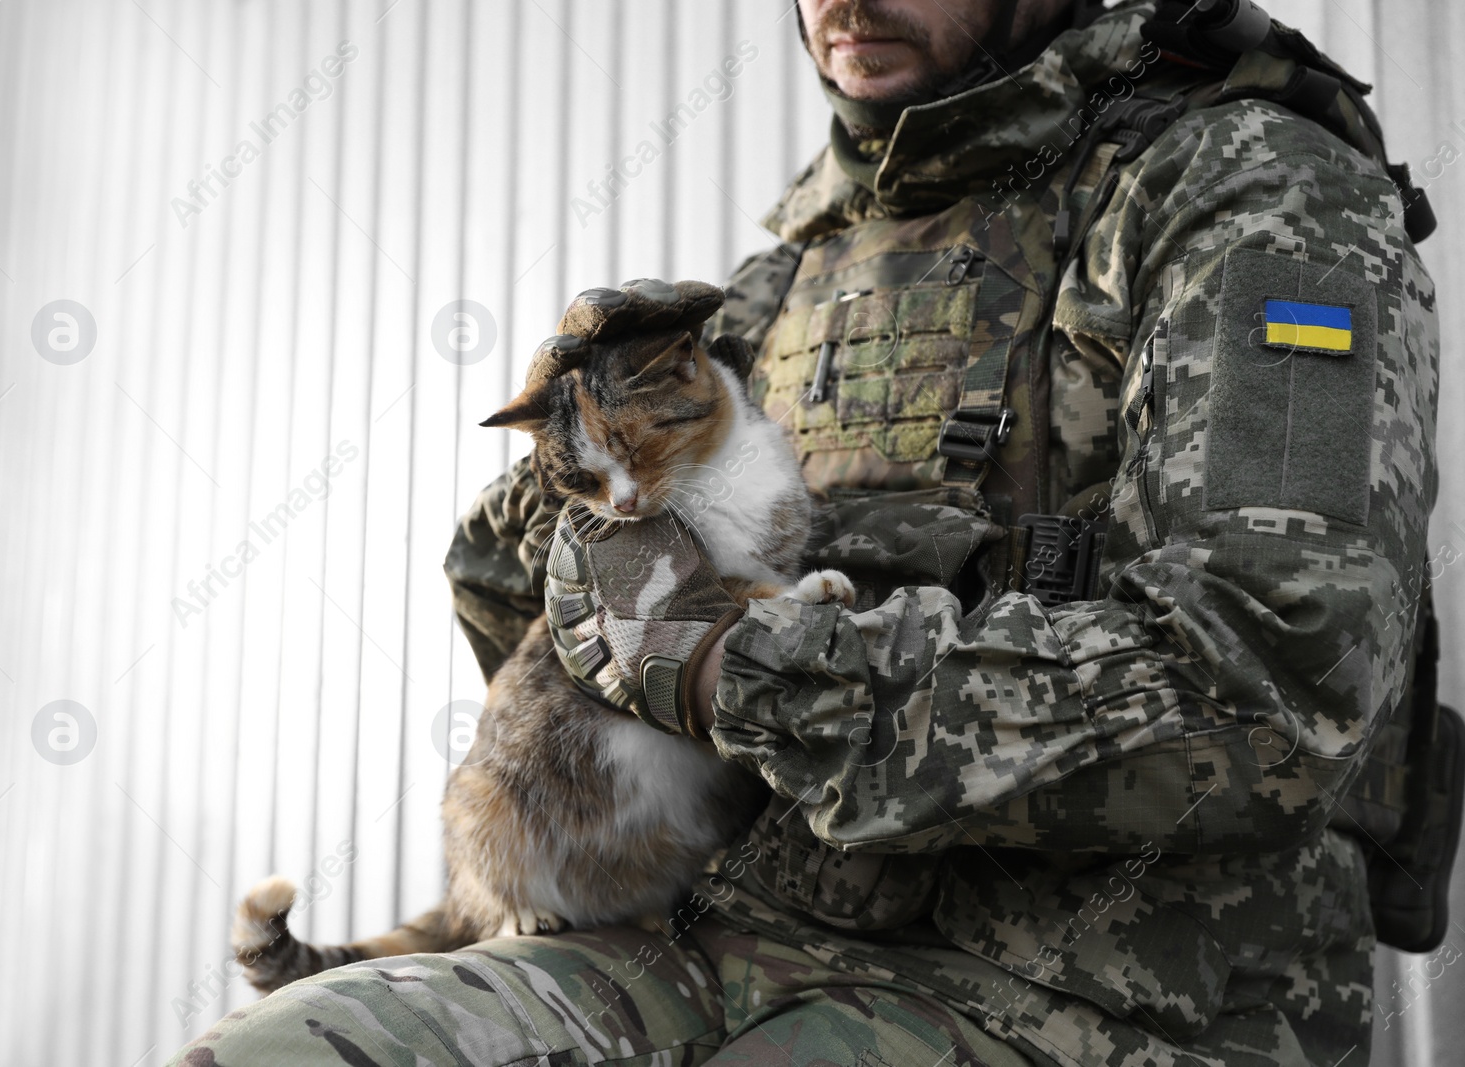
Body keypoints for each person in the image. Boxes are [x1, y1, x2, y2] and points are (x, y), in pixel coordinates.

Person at [172, 0, 1440, 1063]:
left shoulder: (1253, 195)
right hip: (736, 936)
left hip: (1101, 1006)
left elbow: (1276, 685)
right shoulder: (799, 267)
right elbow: (547, 600)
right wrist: (581, 535)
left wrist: (740, 666)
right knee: (287, 1046)